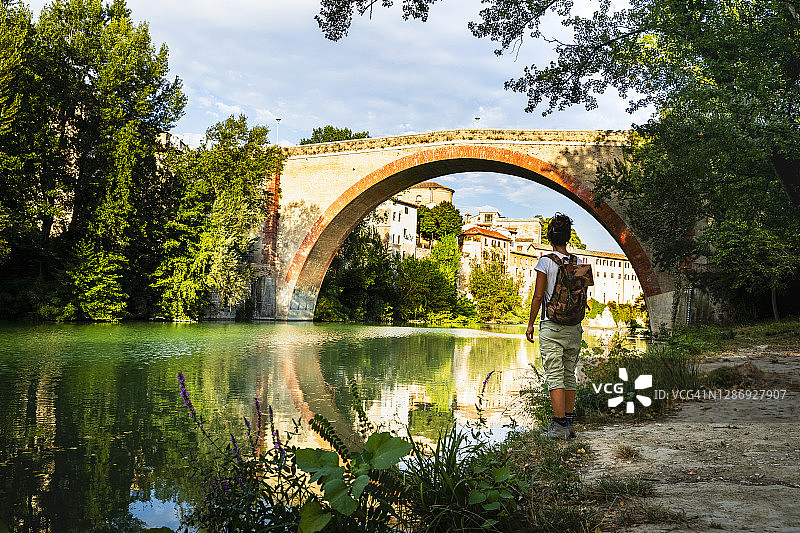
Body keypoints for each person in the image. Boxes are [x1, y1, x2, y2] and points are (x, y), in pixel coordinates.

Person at [525, 213, 585, 439]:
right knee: (569, 373)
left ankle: (559, 426)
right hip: (574, 327)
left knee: (555, 374)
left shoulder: (545, 262)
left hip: (552, 325)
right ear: (568, 237)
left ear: (549, 237)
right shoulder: (578, 263)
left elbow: (538, 296)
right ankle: (568, 424)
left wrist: (530, 324)